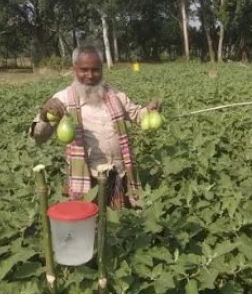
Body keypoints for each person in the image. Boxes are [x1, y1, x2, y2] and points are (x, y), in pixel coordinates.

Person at [29, 44, 160, 209]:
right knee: (91, 225)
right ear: (74, 69)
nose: (90, 75)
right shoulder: (62, 100)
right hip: (86, 176)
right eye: (84, 70)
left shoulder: (116, 95)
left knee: (120, 224)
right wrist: (43, 114)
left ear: (102, 69)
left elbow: (138, 116)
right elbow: (38, 136)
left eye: (96, 70)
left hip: (118, 173)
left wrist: (150, 110)